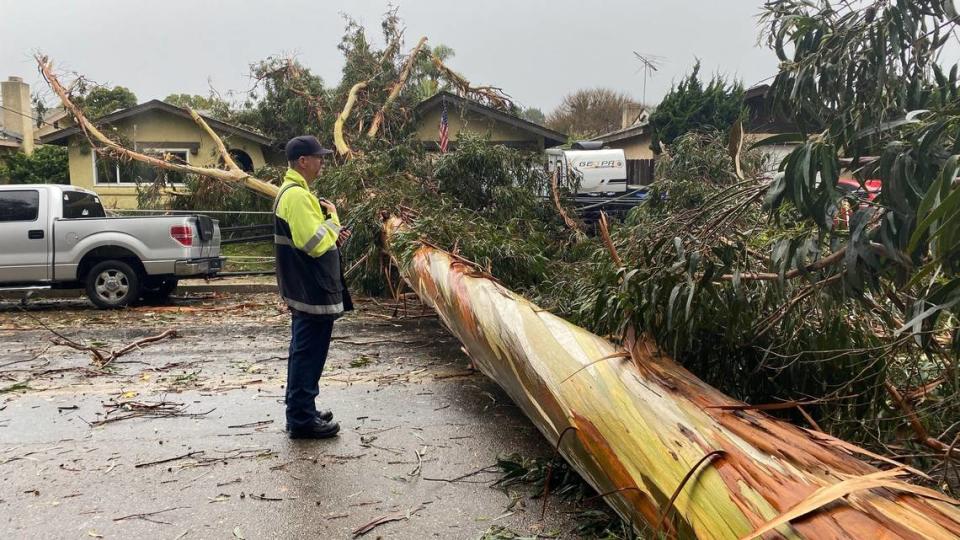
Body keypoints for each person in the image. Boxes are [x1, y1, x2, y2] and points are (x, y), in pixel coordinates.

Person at [273, 135, 353, 439]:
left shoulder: (296, 193)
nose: (322, 162)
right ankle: (302, 419)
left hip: (306, 288)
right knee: (308, 353)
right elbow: (313, 244)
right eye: (318, 157)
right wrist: (332, 220)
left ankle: (302, 408)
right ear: (302, 161)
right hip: (311, 290)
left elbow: (310, 237)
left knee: (304, 352)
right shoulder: (296, 195)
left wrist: (331, 230)